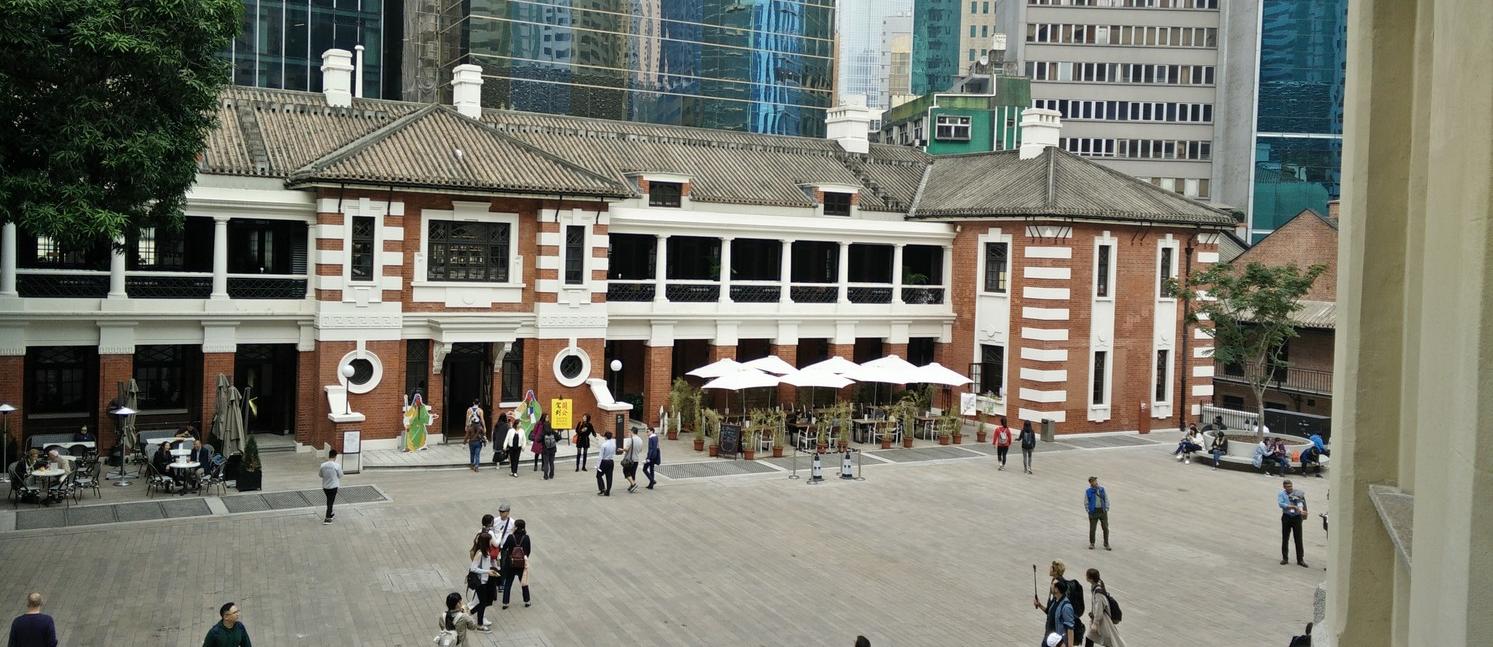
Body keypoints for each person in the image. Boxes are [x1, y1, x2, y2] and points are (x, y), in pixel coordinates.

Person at [1083, 569, 1125, 647]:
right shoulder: (1098, 583)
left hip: (1103, 620)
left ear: (1091, 578)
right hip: (1098, 619)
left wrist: (1095, 623)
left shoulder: (1098, 592)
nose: (1086, 577)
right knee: (1089, 637)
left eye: (1087, 575)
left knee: (1109, 640)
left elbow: (1099, 608)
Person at [467, 530, 499, 630]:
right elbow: (473, 568)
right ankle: (477, 622)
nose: (491, 542)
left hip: (485, 580)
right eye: (490, 541)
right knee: (483, 602)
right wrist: (487, 572)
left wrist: (491, 571)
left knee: (483, 602)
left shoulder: (486, 551)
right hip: (480, 582)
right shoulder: (480, 553)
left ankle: (472, 616)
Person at [498, 519, 532, 609]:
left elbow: (504, 548)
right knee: (524, 582)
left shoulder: (510, 537)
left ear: (516, 527)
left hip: (510, 564)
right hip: (521, 564)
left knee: (508, 583)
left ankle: (505, 603)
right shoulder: (526, 537)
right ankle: (527, 601)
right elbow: (528, 551)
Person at [1034, 579, 1076, 647]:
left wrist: (1070, 645)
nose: (1051, 586)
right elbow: (1049, 613)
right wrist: (1040, 605)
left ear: (1057, 589)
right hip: (1048, 639)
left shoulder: (1066, 607)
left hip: (1057, 642)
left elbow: (1070, 627)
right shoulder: (1055, 600)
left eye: (1052, 584)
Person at [1279, 479, 1309, 567]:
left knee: (1298, 538)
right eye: (1287, 487)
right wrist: (1291, 506)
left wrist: (1302, 511)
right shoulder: (1281, 494)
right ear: (1284, 487)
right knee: (1285, 537)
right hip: (1286, 516)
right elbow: (1281, 504)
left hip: (1296, 517)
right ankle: (1285, 558)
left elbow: (1301, 503)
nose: (1290, 488)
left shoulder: (1297, 493)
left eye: (1291, 486)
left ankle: (1300, 559)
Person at [1084, 477, 1111, 551]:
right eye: (1093, 481)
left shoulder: (1102, 489)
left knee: (1105, 528)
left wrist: (1106, 508)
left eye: (1096, 481)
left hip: (1102, 511)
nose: (1095, 482)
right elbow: (1086, 502)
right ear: (1090, 483)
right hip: (1093, 512)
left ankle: (1106, 543)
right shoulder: (1088, 491)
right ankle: (1092, 543)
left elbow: (1106, 498)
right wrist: (1088, 510)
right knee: (1092, 529)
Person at [319, 448, 342, 524]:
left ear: (329, 456)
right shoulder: (337, 466)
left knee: (329, 500)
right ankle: (327, 518)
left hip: (325, 486)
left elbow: (320, 475)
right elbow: (340, 475)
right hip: (334, 486)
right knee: (330, 502)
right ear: (335, 456)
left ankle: (331, 514)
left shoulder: (323, 465)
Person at [465, 400, 486, 473]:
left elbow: (467, 419)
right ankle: (476, 466)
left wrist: (466, 426)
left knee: (472, 452)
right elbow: (482, 419)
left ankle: (472, 464)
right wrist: (484, 427)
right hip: (478, 427)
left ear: (473, 402)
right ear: (479, 403)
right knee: (477, 453)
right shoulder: (480, 410)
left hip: (471, 427)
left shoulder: (469, 410)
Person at [619, 427, 642, 493]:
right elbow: (640, 450)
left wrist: (621, 449)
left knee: (625, 472)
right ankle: (633, 486)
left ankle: (633, 484)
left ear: (632, 432)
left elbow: (626, 449)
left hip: (629, 460)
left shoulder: (631, 440)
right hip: (636, 459)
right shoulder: (640, 440)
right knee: (633, 473)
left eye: (630, 432)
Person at [596, 431, 616, 496]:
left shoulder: (604, 445)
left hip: (604, 462)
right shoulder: (614, 444)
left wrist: (597, 465)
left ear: (605, 437)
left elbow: (600, 456)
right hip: (611, 461)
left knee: (598, 475)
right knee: (609, 477)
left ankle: (602, 489)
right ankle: (608, 491)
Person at [540, 415, 559, 480]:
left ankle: (545, 476)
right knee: (551, 462)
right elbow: (559, 437)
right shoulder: (552, 431)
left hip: (545, 449)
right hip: (553, 448)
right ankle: (551, 475)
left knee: (546, 463)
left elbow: (538, 439)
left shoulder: (543, 432)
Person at [644, 425, 661, 489]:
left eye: (648, 431)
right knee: (652, 469)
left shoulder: (651, 438)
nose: (647, 433)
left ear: (652, 431)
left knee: (644, 469)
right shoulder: (656, 437)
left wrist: (648, 458)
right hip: (655, 455)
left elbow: (650, 449)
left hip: (651, 456)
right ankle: (651, 485)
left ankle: (652, 481)